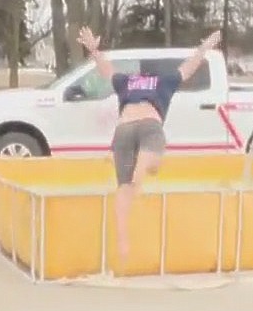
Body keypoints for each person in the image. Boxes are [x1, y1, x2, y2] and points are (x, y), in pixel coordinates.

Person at [76, 26, 223, 261]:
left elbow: (106, 70)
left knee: (124, 188)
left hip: (123, 131)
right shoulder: (165, 81)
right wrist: (204, 47)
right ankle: (145, 170)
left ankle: (123, 241)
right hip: (148, 127)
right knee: (142, 172)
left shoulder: (126, 82)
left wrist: (94, 48)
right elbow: (189, 67)